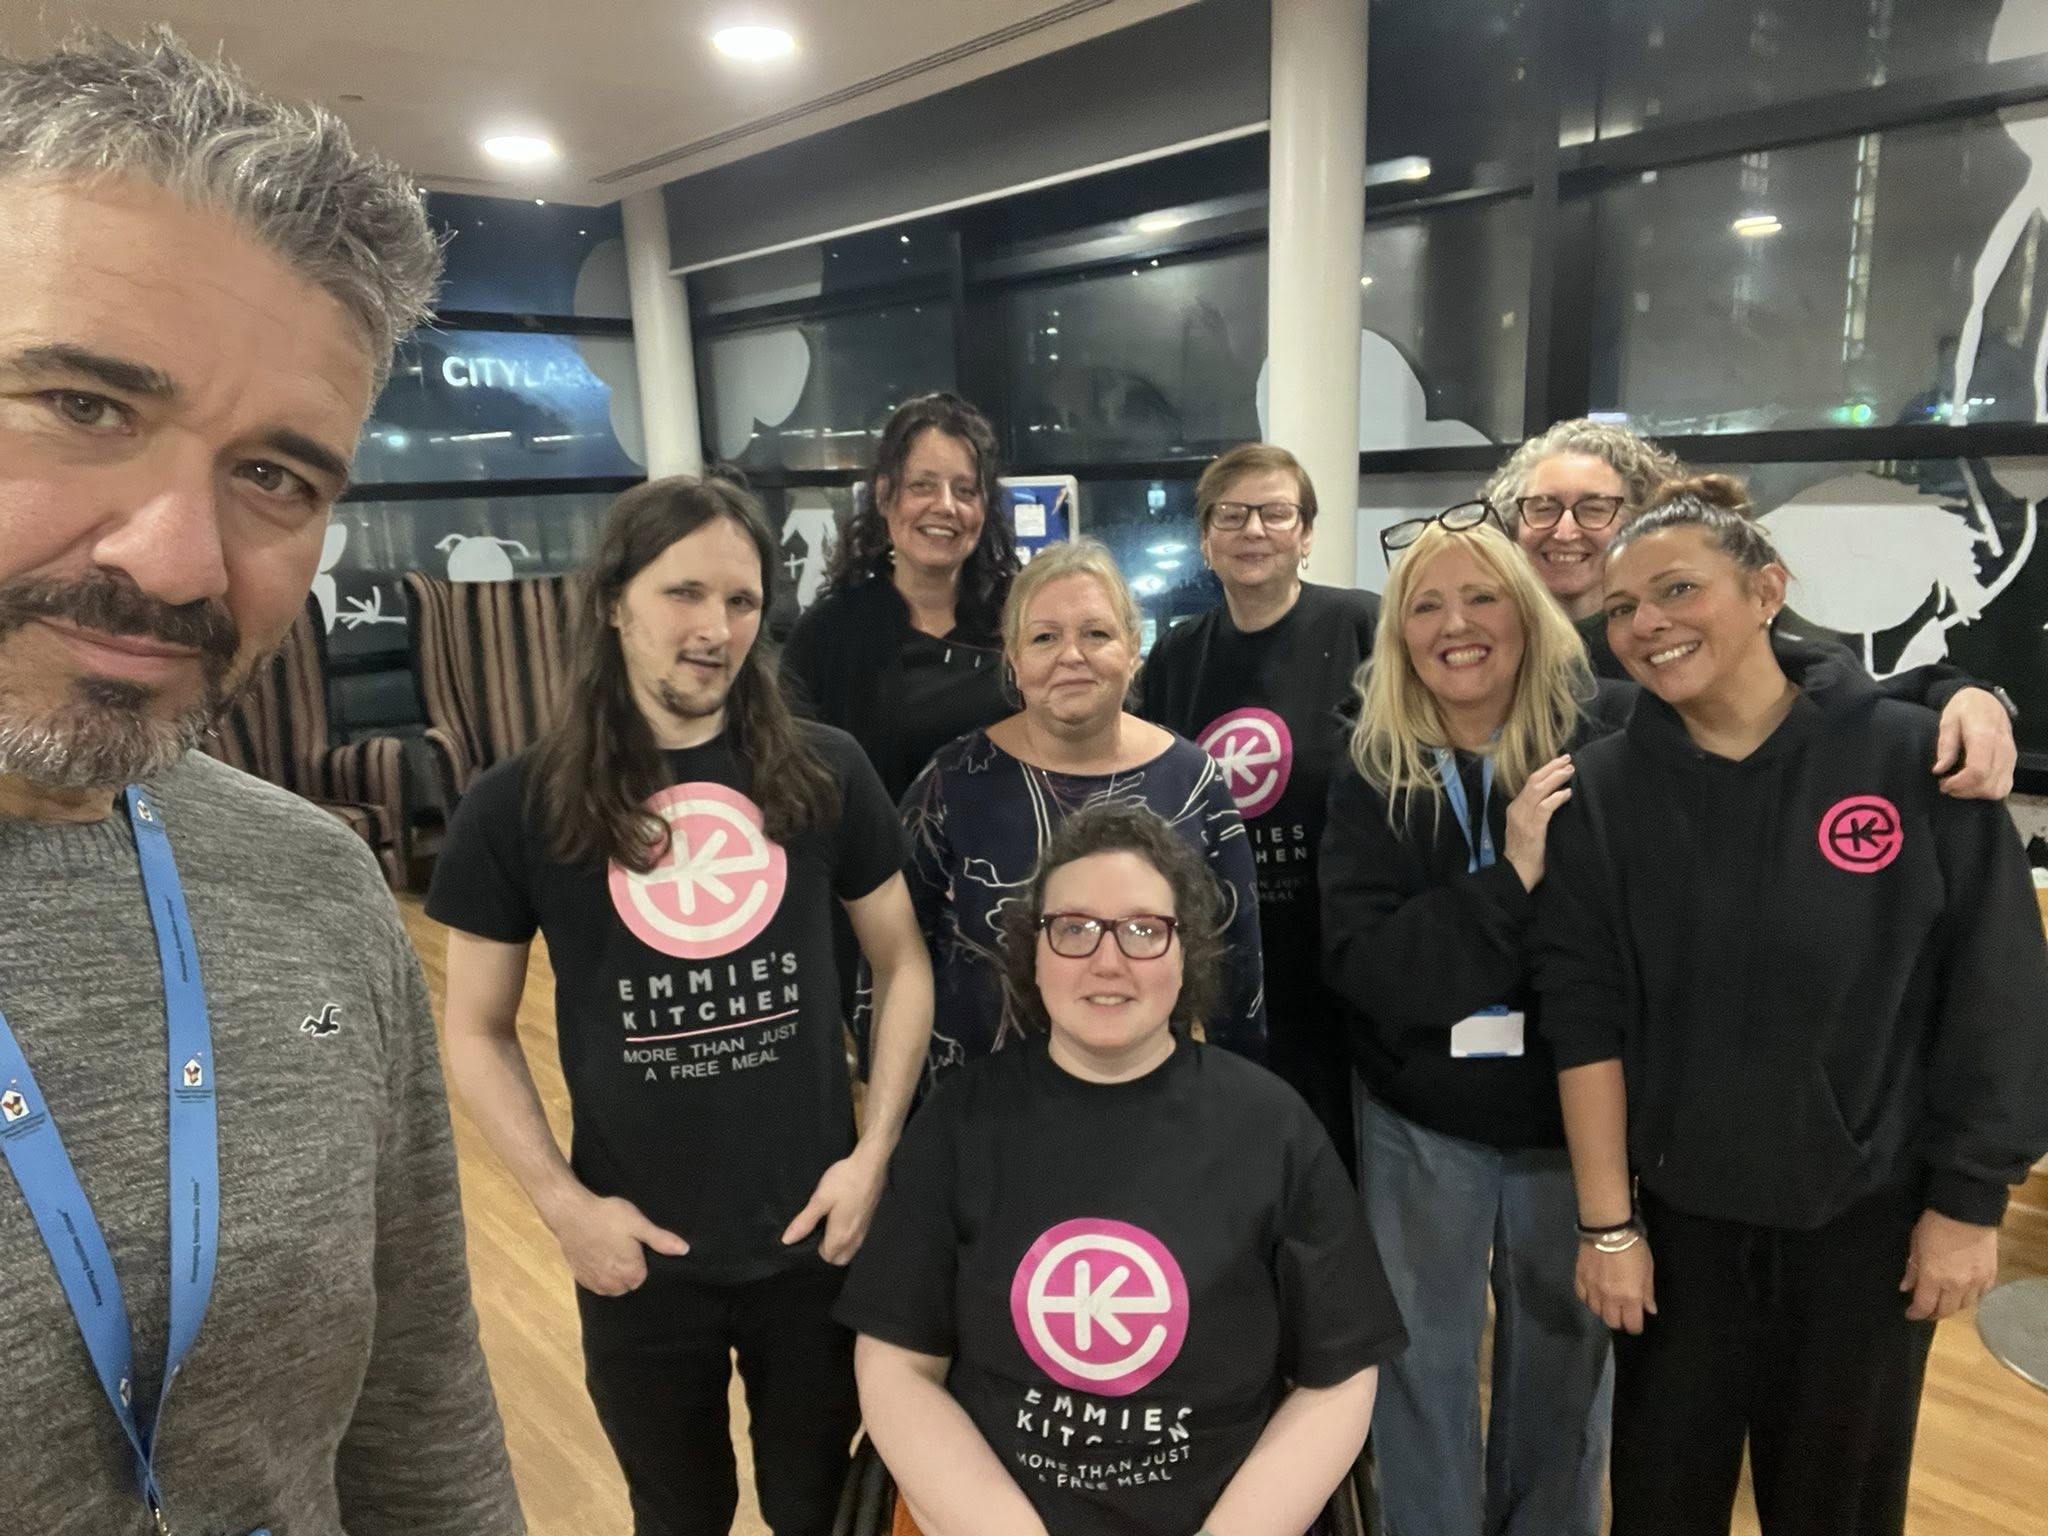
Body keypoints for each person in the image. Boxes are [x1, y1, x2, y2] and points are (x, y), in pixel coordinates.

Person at [0, 27, 524, 1536]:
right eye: (85, 406)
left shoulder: (311, 880)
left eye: (276, 476)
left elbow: (424, 1423)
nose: (176, 560)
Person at [1536, 476, 2048, 1536]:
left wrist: (1966, 1203)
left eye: (1676, 589)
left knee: (1837, 1509)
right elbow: (1582, 1019)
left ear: (1766, 589)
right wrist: (1608, 1226)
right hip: (1678, 1235)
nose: (1645, 625)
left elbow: (1993, 1001)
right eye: (1621, 608)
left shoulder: (1914, 765)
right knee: (1659, 1505)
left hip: (1864, 1230)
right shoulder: (1603, 793)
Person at [428, 478, 934, 1536]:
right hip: (636, 1255)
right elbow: (473, 1031)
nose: (714, 630)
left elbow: (903, 965)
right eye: (683, 593)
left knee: (821, 1511)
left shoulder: (826, 771)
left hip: (816, 1242)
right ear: (613, 599)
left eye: (742, 602)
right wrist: (563, 1208)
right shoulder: (512, 806)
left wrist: (871, 1155)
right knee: (677, 1514)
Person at [838, 802, 1406, 1536]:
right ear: (1032, 954)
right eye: (1073, 929)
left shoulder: (1275, 1127)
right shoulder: (960, 1121)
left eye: (1143, 930)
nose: (1108, 961)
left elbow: (1339, 1377)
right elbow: (894, 1368)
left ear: (1186, 953)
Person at [1320, 510, 1629, 1536]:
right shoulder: (1371, 768)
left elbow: (1784, 671)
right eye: (1426, 605)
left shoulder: (1608, 746)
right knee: (1418, 1360)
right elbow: (1367, 969)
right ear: (1398, 635)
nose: (1456, 624)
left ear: (1529, 614)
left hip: (1564, 1120)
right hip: (1423, 1114)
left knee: (1565, 1361)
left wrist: (1964, 693)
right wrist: (1511, 881)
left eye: (1481, 596)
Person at [1481, 417, 2021, 798]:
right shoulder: (1484, 644)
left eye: (1594, 508)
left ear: (1644, 522)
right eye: (1542, 508)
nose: (1565, 529)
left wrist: (1958, 694)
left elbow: (1823, 686)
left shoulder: (1683, 643)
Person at [899, 538, 1266, 1077]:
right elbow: (891, 958)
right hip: (983, 1115)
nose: (1072, 655)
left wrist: (1239, 1102)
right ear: (1014, 659)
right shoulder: (951, 784)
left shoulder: (1193, 781)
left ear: (1134, 649)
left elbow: (1239, 966)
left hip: (1150, 1111)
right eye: (1045, 637)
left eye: (1096, 633)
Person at [1139, 443, 1376, 1165]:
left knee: (1339, 1161)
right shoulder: (1177, 658)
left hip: (1339, 953)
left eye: (1276, 512)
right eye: (1231, 514)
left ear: (1306, 534)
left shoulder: (1364, 627)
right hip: (1227, 956)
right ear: (1206, 538)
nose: (1254, 530)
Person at [783, 392, 1020, 802]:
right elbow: (793, 782)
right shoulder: (826, 636)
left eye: (965, 490)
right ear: (884, 496)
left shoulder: (1022, 621)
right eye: (922, 486)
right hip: (875, 864)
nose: (945, 506)